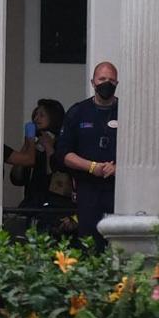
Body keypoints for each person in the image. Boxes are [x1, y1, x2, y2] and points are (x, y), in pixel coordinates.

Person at [55, 63, 120, 241]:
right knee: (90, 244)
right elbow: (63, 154)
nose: (107, 83)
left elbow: (139, 151)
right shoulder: (78, 112)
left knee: (118, 243)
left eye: (111, 80)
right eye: (102, 79)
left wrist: (118, 168)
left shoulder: (126, 112)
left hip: (119, 191)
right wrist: (92, 167)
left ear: (117, 83)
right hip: (87, 190)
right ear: (93, 82)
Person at [7, 98, 73, 223]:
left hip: (54, 208)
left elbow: (56, 178)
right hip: (32, 205)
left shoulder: (63, 144)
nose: (36, 119)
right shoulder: (34, 146)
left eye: (41, 115)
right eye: (35, 115)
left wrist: (48, 147)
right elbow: (17, 179)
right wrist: (27, 145)